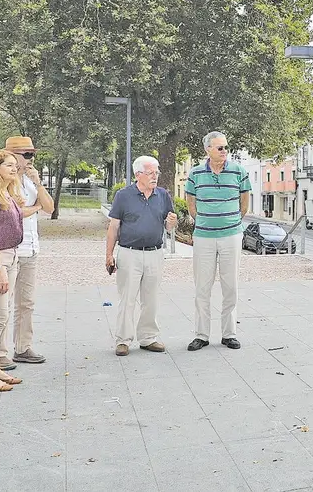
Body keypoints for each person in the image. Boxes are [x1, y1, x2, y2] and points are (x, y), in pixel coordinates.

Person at [0, 150, 42, 391]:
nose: (14, 169)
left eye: (15, 165)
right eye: (9, 165)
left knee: (0, 316)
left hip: (11, 256)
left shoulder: (6, 194)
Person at [185, 131, 251, 352]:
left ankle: (229, 334)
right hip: (203, 236)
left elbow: (244, 203)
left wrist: (231, 222)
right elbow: (191, 203)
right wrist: (203, 220)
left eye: (226, 147)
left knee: (230, 285)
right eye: (220, 147)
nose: (225, 151)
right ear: (208, 150)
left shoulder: (239, 172)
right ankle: (201, 335)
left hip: (231, 235)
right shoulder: (195, 174)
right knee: (202, 287)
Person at [105, 156, 177, 356]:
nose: (155, 176)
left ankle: (148, 338)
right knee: (127, 298)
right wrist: (109, 255)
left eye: (157, 172)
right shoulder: (123, 196)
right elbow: (113, 226)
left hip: (155, 253)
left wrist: (172, 222)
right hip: (129, 253)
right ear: (138, 175)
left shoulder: (162, 195)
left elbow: (169, 226)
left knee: (151, 298)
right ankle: (123, 340)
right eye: (151, 173)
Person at [0, 137, 55, 369]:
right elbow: (14, 212)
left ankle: (23, 347)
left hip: (30, 248)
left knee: (26, 302)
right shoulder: (2, 182)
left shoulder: (30, 181)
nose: (30, 159)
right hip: (8, 249)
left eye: (32, 155)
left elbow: (49, 208)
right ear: (10, 156)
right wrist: (36, 207)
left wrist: (38, 184)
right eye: (26, 155)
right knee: (2, 305)